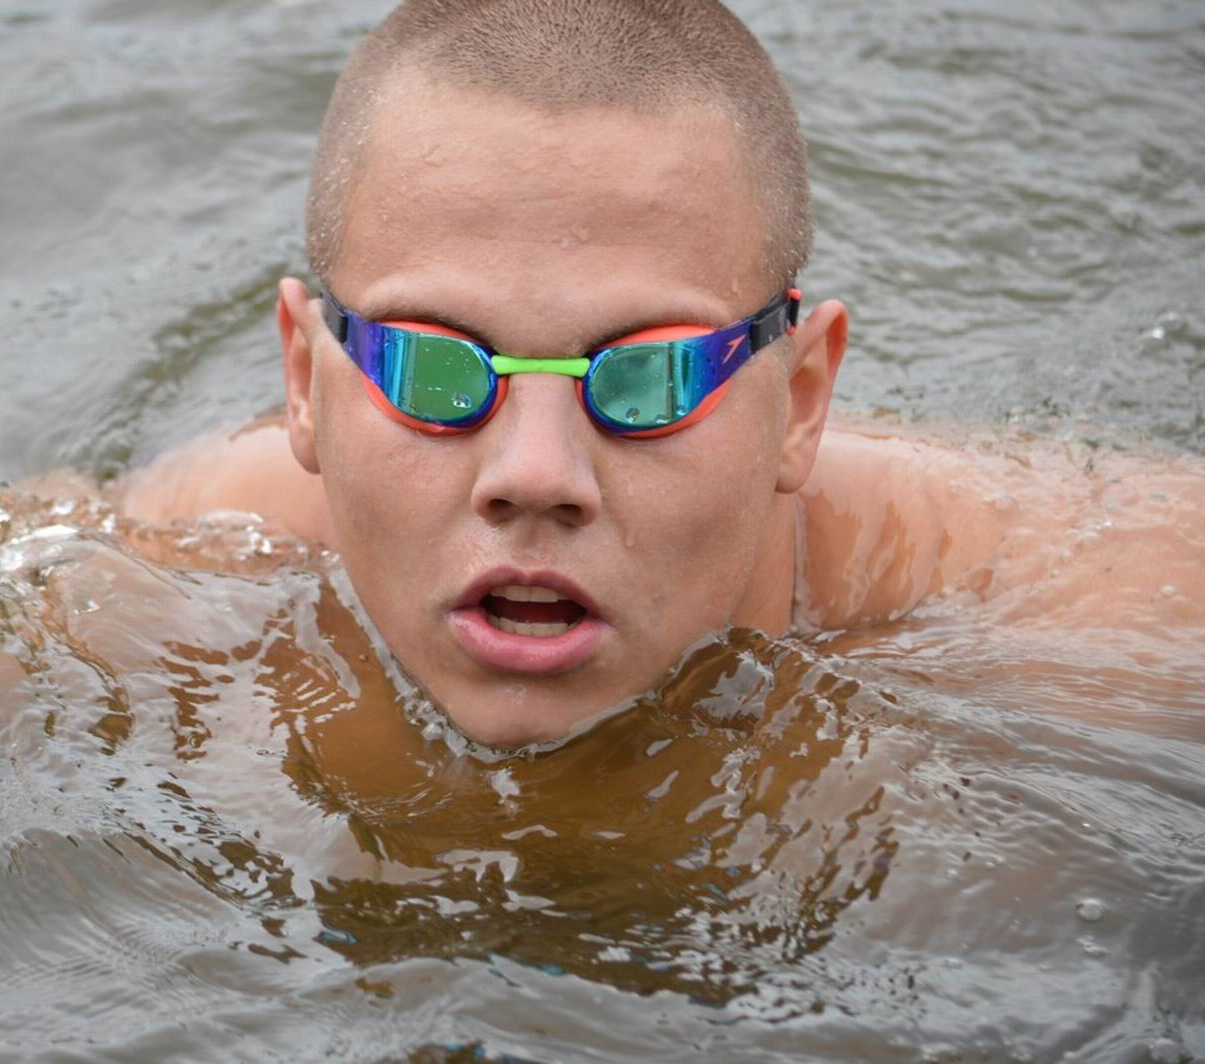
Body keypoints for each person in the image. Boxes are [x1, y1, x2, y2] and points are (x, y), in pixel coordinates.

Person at [113, 0, 1204, 748]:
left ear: (802, 402)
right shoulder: (178, 562)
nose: (535, 475)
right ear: (305, 381)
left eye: (646, 377)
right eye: (435, 367)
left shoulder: (1106, 633)